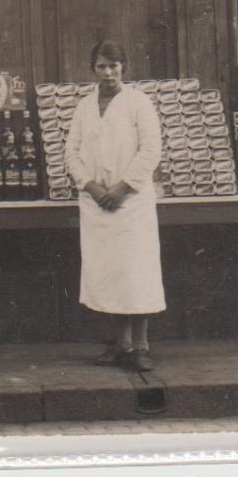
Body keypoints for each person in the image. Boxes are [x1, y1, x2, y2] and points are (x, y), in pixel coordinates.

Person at [66, 40, 165, 370]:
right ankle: (119, 345)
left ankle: (141, 346)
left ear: (125, 67)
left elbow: (151, 150)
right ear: (92, 69)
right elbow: (72, 153)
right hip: (97, 205)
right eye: (101, 67)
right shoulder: (84, 107)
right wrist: (91, 187)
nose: (108, 73)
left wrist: (122, 188)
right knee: (108, 275)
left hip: (131, 203)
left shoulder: (139, 103)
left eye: (114, 66)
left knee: (135, 273)